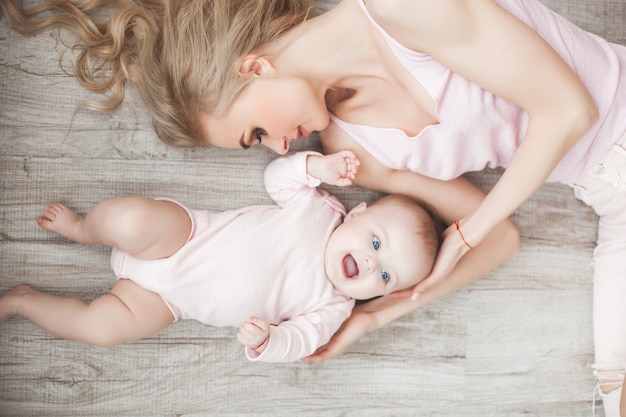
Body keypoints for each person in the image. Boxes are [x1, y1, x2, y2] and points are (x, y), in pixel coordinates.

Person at [3, 0, 623, 414]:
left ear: (254, 67)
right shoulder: (351, 147)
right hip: (609, 199)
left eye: (254, 134)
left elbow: (570, 111)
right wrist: (373, 320)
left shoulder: (402, 8)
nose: (280, 146)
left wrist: (465, 233)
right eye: (263, 147)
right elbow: (503, 241)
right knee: (613, 387)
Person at [0, 150, 442, 363]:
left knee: (99, 329)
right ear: (358, 213)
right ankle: (82, 229)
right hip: (184, 238)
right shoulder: (323, 210)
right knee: (128, 220)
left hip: (166, 303)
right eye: (376, 244)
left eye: (384, 275)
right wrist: (316, 168)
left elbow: (304, 342)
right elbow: (279, 179)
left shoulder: (334, 307)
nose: (369, 264)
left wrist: (269, 341)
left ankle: (22, 300)